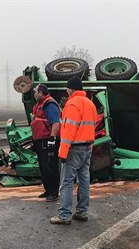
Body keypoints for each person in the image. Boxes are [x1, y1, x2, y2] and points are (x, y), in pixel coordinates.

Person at [50, 76, 96, 225]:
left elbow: (68, 131)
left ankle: (64, 215)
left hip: (73, 149)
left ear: (72, 89)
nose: (66, 91)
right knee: (84, 180)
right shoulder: (90, 104)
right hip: (86, 148)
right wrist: (91, 145)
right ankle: (82, 212)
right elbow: (92, 127)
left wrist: (62, 153)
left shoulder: (72, 105)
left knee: (67, 182)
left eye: (67, 88)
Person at [31, 84, 61, 202]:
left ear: (41, 92)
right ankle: (48, 190)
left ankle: (53, 193)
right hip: (40, 140)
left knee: (50, 166)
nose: (34, 94)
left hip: (47, 139)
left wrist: (52, 139)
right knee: (43, 166)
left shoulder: (49, 104)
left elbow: (55, 122)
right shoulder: (40, 104)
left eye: (36, 92)